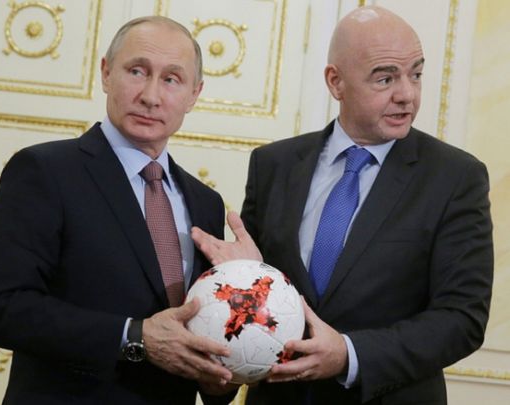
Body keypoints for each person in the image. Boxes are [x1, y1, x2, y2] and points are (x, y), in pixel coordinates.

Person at [191, 5, 493, 405]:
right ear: (336, 82)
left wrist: (349, 355)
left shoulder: (456, 177)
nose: (407, 94)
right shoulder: (273, 165)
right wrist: (240, 279)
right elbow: (258, 295)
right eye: (385, 78)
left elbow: (462, 319)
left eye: (416, 74)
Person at [0, 16, 237, 404]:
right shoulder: (43, 171)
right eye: (137, 71)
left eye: (171, 79)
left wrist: (221, 379)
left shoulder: (206, 202)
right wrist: (134, 336)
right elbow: (3, 310)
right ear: (106, 73)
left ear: (194, 94)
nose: (151, 96)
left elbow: (199, 340)